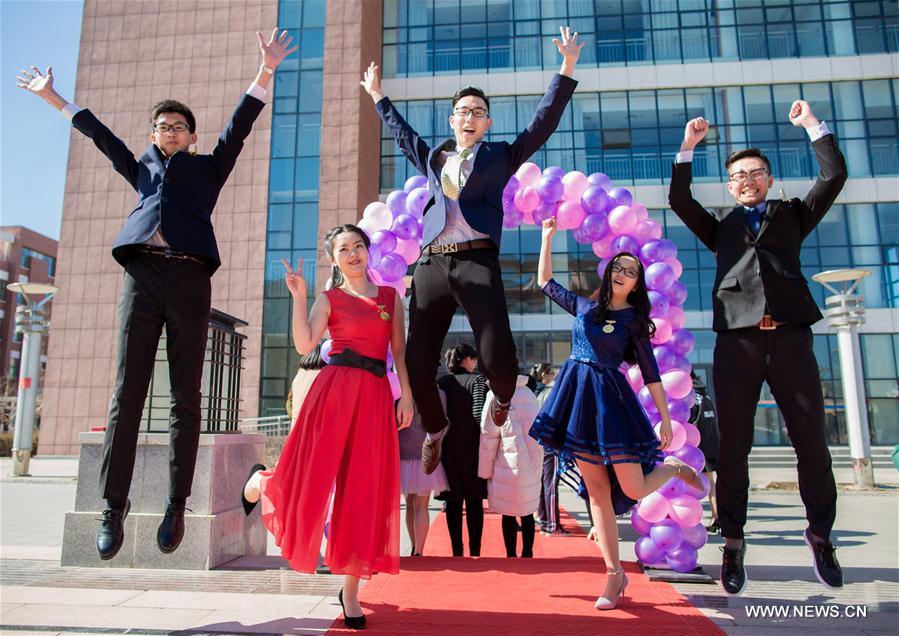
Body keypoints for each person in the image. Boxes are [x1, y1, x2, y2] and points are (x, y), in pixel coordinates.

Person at [16, 30, 297, 560]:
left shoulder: (208, 169)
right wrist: (54, 98)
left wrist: (265, 71)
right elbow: (100, 136)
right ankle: (112, 506)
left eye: (178, 127)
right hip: (141, 276)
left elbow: (239, 127)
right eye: (162, 126)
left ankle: (176, 503)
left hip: (190, 278)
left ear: (191, 137)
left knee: (186, 397)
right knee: (127, 393)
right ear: (153, 135)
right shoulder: (141, 167)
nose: (170, 132)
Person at [361, 27, 585, 475]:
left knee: (497, 354)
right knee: (417, 362)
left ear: (487, 123)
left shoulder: (500, 156)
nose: (470, 117)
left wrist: (566, 68)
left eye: (478, 112)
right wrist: (377, 95)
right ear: (452, 120)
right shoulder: (434, 159)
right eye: (463, 111)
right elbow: (403, 135)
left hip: (476, 259)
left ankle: (501, 397)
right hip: (432, 263)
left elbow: (541, 124)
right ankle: (436, 428)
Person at [669, 101, 847, 594]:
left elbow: (833, 176)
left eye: (755, 174)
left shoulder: (793, 215)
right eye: (739, 176)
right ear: (730, 187)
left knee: (812, 442)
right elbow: (680, 200)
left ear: (769, 180)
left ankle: (821, 536)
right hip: (737, 343)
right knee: (733, 449)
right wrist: (688, 147)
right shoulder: (720, 227)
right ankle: (733, 542)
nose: (747, 181)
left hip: (791, 339)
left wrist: (811, 125)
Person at [241, 224, 414, 630]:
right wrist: (299, 297)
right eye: (343, 249)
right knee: (310, 475)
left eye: (358, 246)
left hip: (374, 398)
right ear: (332, 259)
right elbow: (305, 345)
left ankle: (350, 592)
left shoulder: (390, 298)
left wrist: (406, 394)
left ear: (368, 251)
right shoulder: (330, 298)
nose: (353, 254)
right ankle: (263, 482)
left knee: (363, 493)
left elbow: (399, 351)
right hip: (334, 393)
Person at [529, 218, 702, 611]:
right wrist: (547, 237)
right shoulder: (585, 306)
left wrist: (666, 419)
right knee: (597, 493)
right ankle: (613, 574)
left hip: (611, 404)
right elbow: (545, 282)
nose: (622, 273)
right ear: (608, 273)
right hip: (577, 400)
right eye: (618, 267)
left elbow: (652, 373)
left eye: (631, 271)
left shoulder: (634, 322)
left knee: (635, 489)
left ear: (637, 285)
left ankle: (671, 469)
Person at [479, 368, 543, 558]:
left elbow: (488, 436)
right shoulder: (529, 395)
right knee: (527, 510)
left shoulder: (496, 396)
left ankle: (511, 555)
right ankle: (528, 552)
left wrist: (484, 470)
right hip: (531, 462)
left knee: (507, 511)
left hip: (506, 462)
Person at [435, 345, 488, 557]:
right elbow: (478, 414)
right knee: (474, 500)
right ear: (466, 360)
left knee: (453, 500)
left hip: (448, 448)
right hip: (473, 448)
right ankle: (475, 548)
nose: (475, 364)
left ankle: (457, 549)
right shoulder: (477, 381)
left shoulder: (442, 383)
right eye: (474, 360)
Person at [398, 405, 449, 556]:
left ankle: (414, 546)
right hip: (426, 454)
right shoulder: (436, 394)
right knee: (421, 506)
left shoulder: (400, 395)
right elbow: (444, 422)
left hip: (403, 454)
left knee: (409, 505)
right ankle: (419, 550)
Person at [689, 371, 720, 533]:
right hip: (711, 442)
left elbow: (688, 422)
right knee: (710, 482)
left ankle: (692, 517)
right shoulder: (704, 395)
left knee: (691, 482)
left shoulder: (691, 397)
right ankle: (716, 515)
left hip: (697, 446)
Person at [288, 342, 326, 425]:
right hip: (311, 426)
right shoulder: (323, 375)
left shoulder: (299, 375)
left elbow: (289, 403)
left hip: (296, 426)